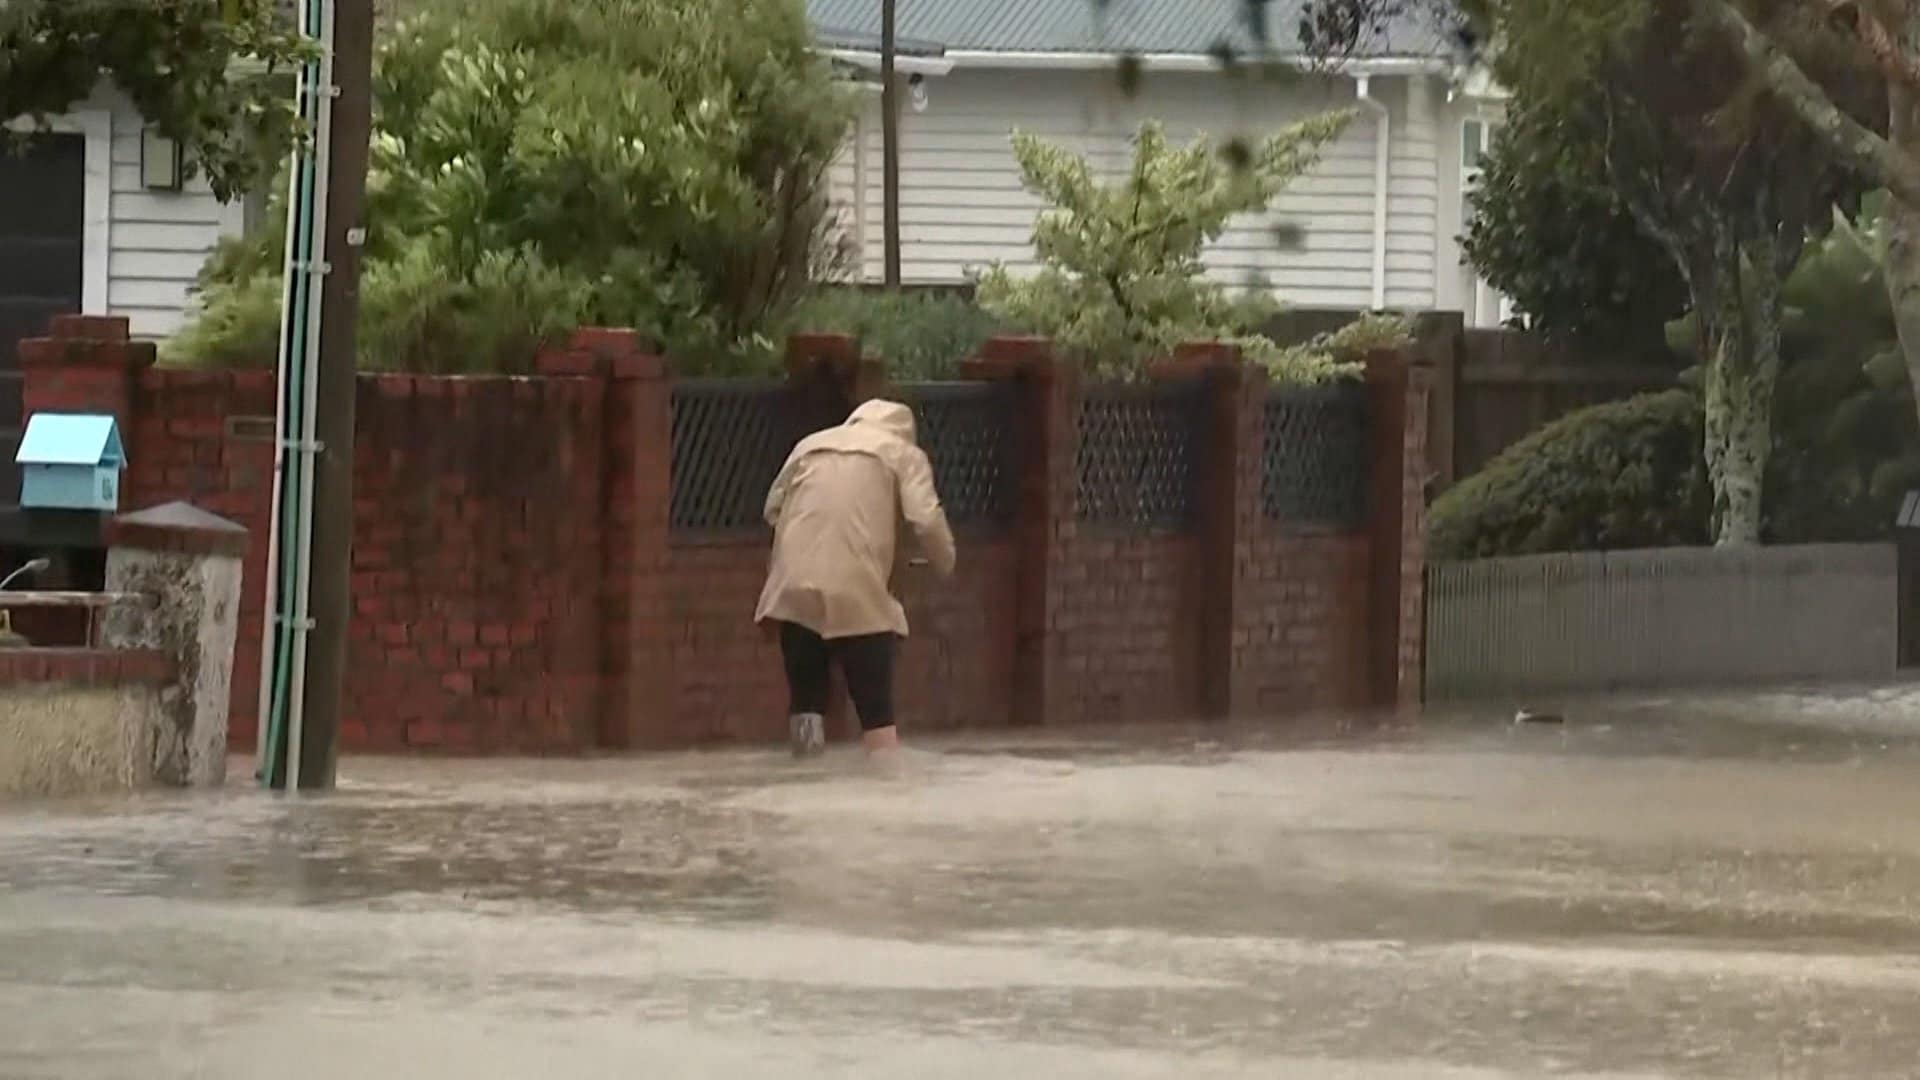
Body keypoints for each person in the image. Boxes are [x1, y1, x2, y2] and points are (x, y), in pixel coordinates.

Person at [755, 398, 956, 760]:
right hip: (858, 593)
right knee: (876, 714)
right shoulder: (903, 454)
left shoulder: (810, 445)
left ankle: (803, 778)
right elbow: (925, 520)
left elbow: (772, 509)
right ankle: (885, 795)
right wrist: (945, 562)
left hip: (792, 591)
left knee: (806, 705)